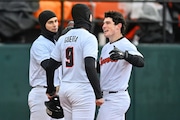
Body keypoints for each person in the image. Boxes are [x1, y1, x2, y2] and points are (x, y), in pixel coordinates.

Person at [45, 4, 104, 120]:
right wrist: (98, 94)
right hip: (82, 89)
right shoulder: (89, 37)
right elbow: (89, 65)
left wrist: (50, 89)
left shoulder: (63, 38)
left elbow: (50, 66)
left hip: (65, 89)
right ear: (89, 17)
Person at [96, 11, 144, 120]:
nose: (104, 26)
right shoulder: (105, 47)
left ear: (118, 26)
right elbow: (100, 69)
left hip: (116, 97)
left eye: (108, 23)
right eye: (104, 23)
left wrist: (125, 55)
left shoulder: (125, 44)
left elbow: (141, 62)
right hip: (107, 96)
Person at [28, 10, 63, 120]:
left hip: (57, 93)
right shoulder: (39, 44)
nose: (54, 25)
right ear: (43, 25)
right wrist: (65, 58)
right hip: (41, 92)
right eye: (50, 22)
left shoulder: (56, 43)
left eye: (56, 21)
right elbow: (47, 65)